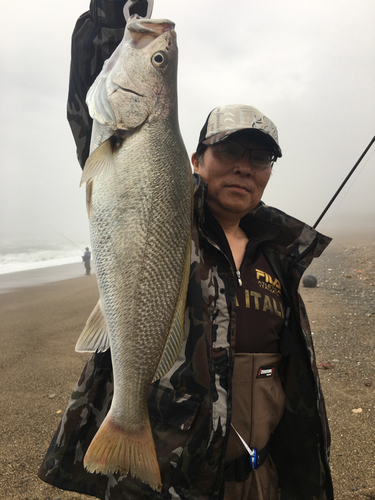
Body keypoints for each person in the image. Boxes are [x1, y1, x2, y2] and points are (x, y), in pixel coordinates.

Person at [38, 1, 334, 499]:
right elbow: (100, 91)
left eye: (259, 157)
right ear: (195, 160)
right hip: (167, 483)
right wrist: (117, 15)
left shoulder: (279, 256)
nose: (244, 166)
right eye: (229, 151)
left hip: (259, 482)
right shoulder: (167, 205)